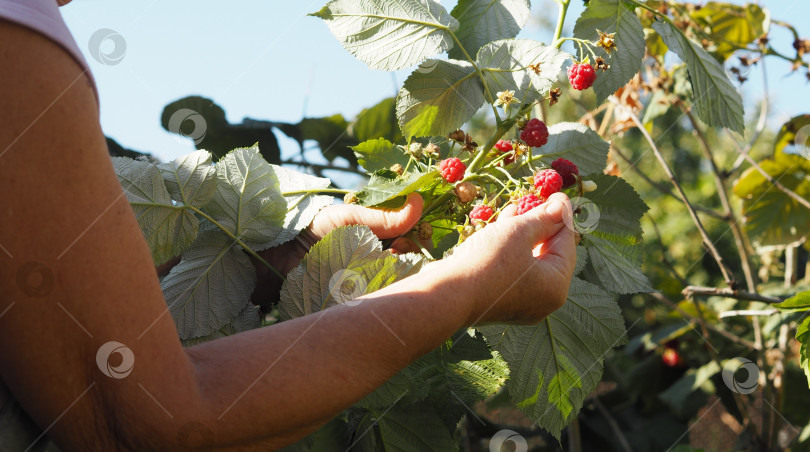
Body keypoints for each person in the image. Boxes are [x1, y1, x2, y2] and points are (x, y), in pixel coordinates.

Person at [0, 1, 577, 450]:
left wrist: (283, 257)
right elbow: (143, 423)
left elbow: (60, 330)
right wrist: (468, 289)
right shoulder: (19, 43)